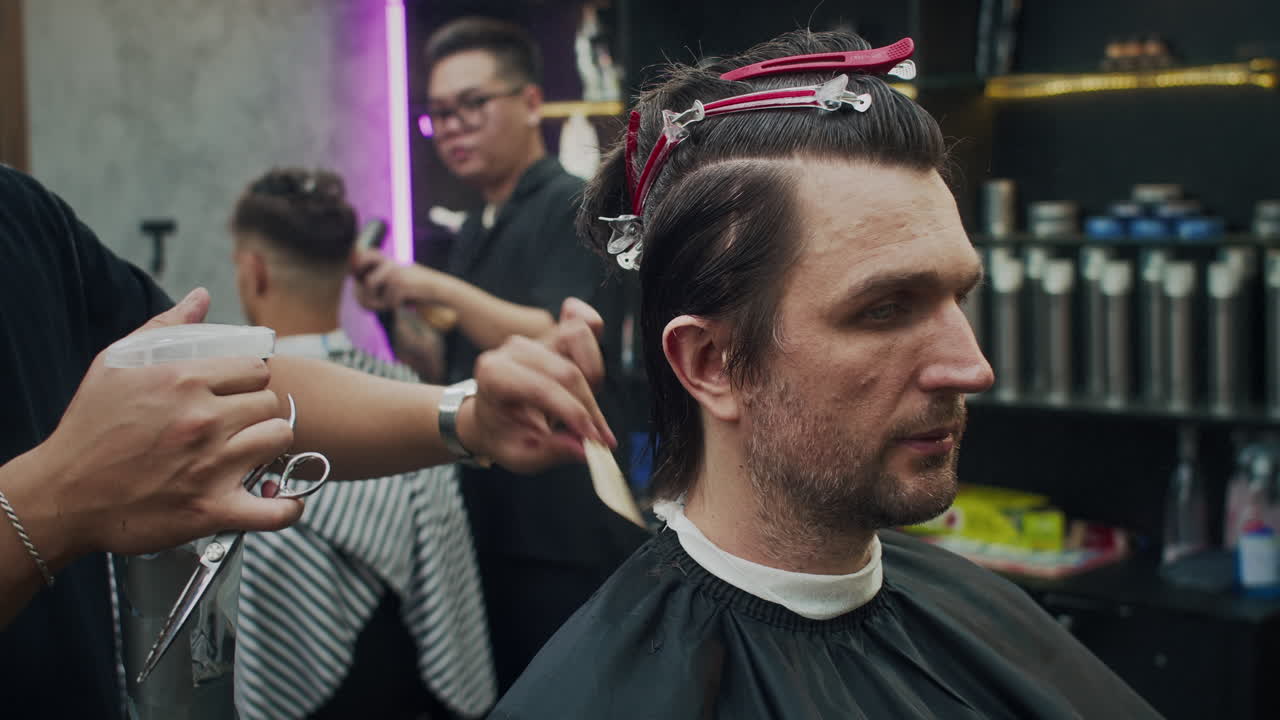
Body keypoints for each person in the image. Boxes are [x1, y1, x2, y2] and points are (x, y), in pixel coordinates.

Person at [491, 30, 1163, 719]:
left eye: (957, 298)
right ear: (710, 364)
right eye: (885, 310)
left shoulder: (983, 612)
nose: (972, 367)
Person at [0, 162, 614, 719]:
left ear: (253, 270)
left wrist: (470, 418)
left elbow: (246, 395)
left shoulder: (24, 214)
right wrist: (59, 502)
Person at [353, 16, 650, 692]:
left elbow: (552, 332)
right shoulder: (476, 229)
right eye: (438, 115)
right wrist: (390, 309)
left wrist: (427, 282)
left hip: (564, 523)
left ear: (530, 103)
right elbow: (447, 371)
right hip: (490, 511)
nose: (452, 127)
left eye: (471, 105)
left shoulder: (571, 206)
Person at [227, 168, 494, 719]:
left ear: (253, 273)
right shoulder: (419, 402)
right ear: (350, 267)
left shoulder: (234, 413)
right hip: (402, 687)